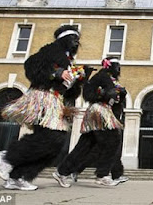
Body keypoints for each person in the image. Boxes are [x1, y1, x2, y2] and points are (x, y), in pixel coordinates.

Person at [0, 25, 92, 191]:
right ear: (64, 39)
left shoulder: (69, 61)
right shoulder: (51, 49)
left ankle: (18, 177)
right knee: (52, 138)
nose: (77, 41)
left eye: (78, 38)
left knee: (55, 144)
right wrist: (56, 72)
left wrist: (79, 81)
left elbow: (70, 92)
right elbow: (31, 64)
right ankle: (9, 156)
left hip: (56, 101)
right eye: (73, 37)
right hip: (42, 97)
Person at [53, 57, 126, 187]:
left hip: (102, 111)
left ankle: (62, 172)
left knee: (84, 145)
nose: (119, 68)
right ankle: (102, 174)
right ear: (110, 66)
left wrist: (121, 94)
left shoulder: (108, 79)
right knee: (112, 140)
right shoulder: (101, 76)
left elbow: (114, 98)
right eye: (116, 65)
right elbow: (88, 94)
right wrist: (104, 93)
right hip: (99, 111)